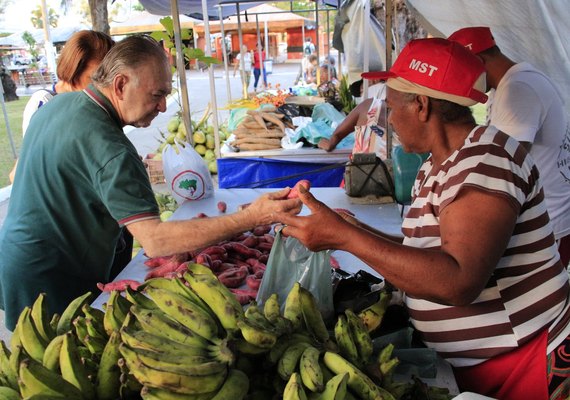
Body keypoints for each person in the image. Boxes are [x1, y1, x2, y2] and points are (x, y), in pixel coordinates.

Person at [278, 38, 570, 399]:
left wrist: (344, 238)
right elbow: (431, 252)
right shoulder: (437, 164)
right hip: (483, 364)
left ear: (421, 105)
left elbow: (458, 280)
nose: (389, 118)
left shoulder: (487, 161)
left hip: (525, 361)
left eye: (391, 106)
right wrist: (358, 230)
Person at [0, 35, 302, 331]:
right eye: (156, 95)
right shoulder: (112, 149)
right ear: (120, 85)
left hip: (17, 257)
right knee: (53, 366)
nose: (162, 108)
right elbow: (156, 241)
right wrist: (251, 217)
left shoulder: (58, 105)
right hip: (51, 277)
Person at [448, 26, 570, 268]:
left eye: (462, 71)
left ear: (478, 61)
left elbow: (504, 163)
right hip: (542, 218)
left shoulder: (518, 89)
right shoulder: (508, 84)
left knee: (530, 300)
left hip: (547, 224)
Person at [9, 30, 115, 184]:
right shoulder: (44, 102)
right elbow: (24, 172)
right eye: (94, 78)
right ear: (74, 69)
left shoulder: (92, 104)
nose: (101, 86)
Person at [318, 82, 394, 159]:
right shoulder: (368, 106)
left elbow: (337, 135)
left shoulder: (368, 106)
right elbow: (337, 135)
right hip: (365, 169)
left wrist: (328, 143)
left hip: (364, 169)